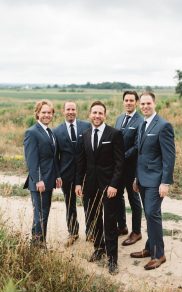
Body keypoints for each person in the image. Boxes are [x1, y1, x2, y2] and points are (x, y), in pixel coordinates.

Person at [75, 101, 124, 275]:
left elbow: (120, 163)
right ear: (90, 114)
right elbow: (81, 162)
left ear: (105, 115)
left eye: (100, 113)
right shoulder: (85, 135)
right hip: (90, 187)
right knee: (94, 219)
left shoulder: (115, 134)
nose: (97, 116)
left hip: (109, 186)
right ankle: (99, 249)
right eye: (94, 112)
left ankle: (112, 259)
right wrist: (78, 183)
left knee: (110, 222)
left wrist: (113, 185)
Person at [130, 92, 175, 270]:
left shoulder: (163, 126)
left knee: (152, 214)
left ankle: (159, 254)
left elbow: (169, 157)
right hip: (142, 179)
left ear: (154, 103)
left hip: (156, 181)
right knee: (149, 214)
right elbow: (140, 155)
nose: (145, 106)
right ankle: (149, 248)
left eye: (148, 103)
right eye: (142, 104)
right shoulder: (142, 123)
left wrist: (165, 182)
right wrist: (136, 178)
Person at [24, 100, 62, 247]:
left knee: (43, 213)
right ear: (37, 113)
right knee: (40, 215)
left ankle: (38, 243)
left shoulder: (50, 132)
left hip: (49, 180)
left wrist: (57, 175)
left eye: (49, 112)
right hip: (39, 182)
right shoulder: (32, 132)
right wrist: (38, 179)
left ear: (52, 114)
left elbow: (53, 157)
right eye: (43, 112)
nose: (46, 115)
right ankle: (37, 245)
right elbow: (32, 160)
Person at [53, 102, 90, 246]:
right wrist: (57, 175)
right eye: (68, 109)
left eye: (73, 109)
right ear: (63, 111)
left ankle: (91, 232)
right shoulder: (56, 131)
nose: (70, 112)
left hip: (85, 173)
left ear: (77, 111)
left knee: (88, 203)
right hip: (66, 174)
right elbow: (55, 157)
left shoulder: (86, 126)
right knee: (70, 204)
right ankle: (73, 232)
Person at [115, 91, 143, 245]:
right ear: (123, 102)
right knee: (118, 197)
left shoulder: (140, 121)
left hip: (132, 168)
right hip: (118, 168)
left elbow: (138, 146)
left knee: (134, 199)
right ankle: (122, 226)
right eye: (126, 100)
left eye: (131, 100)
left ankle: (136, 231)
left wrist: (122, 157)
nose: (129, 103)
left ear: (136, 102)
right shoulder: (119, 119)